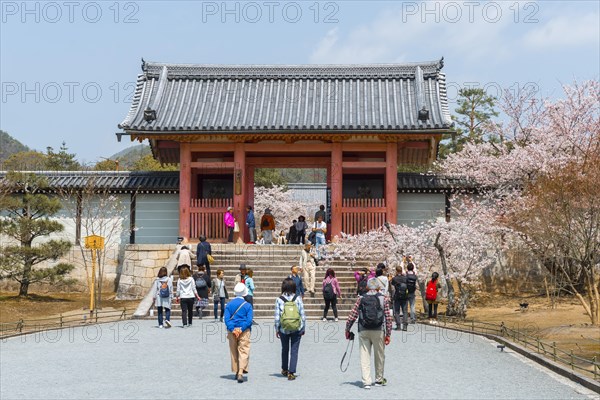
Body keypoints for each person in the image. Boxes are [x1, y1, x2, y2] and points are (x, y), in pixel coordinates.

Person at [345, 278, 393, 389]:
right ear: (378, 287)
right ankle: (379, 379)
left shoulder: (361, 298)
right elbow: (388, 318)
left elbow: (353, 315)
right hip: (378, 330)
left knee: (364, 356)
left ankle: (366, 381)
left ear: (367, 287)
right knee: (379, 355)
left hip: (363, 329)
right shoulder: (383, 299)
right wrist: (388, 334)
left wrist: (347, 329)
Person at [274, 278, 306, 381]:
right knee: (294, 350)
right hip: (296, 327)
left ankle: (284, 369)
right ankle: (291, 372)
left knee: (285, 349)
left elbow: (277, 317)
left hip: (284, 328)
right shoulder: (297, 298)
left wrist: (277, 329)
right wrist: (303, 327)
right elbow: (302, 315)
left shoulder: (279, 299)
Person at [225, 283, 254, 383]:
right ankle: (241, 372)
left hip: (232, 330)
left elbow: (226, 319)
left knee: (234, 351)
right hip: (244, 329)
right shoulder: (248, 305)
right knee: (244, 350)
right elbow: (249, 320)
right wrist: (241, 329)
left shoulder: (229, 304)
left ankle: (236, 370)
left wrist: (233, 329)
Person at [391, 266, 409, 331]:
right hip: (405, 296)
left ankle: (398, 326)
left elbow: (392, 284)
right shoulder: (405, 278)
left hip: (397, 296)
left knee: (397, 311)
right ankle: (405, 326)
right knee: (405, 311)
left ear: (396, 270)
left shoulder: (395, 278)